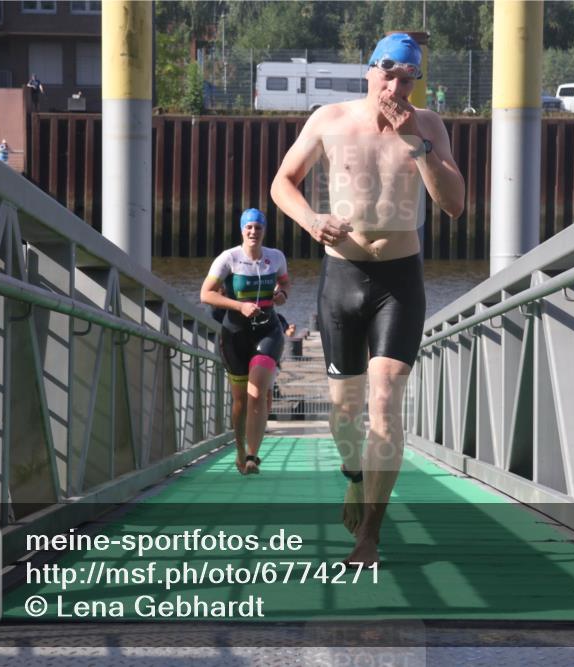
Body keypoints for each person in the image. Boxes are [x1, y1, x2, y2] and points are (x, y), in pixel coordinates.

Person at [270, 33, 465, 565]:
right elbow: (282, 182)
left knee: (383, 401)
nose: (398, 86)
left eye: (410, 78)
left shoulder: (428, 127)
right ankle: (354, 476)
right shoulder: (330, 119)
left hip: (399, 281)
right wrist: (311, 220)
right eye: (390, 73)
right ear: (370, 71)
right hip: (342, 277)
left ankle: (370, 536)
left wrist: (417, 146)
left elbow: (453, 206)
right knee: (343, 409)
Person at [200, 208, 290, 475]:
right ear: (242, 230)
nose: (253, 232)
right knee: (240, 400)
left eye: (258, 227)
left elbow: (285, 282)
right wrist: (239, 307)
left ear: (264, 231)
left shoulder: (275, 257)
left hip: (268, 331)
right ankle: (240, 448)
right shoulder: (229, 259)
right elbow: (206, 294)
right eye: (249, 227)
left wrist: (283, 293)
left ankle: (252, 455)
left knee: (257, 392)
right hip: (235, 334)